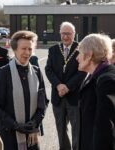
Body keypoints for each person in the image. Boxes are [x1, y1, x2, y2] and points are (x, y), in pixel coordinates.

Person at [0, 30, 48, 150]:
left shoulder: (37, 72)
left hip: (32, 135)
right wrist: (15, 125)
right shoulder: (2, 73)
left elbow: (43, 102)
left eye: (30, 49)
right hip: (9, 135)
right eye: (23, 48)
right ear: (15, 49)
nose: (27, 52)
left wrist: (35, 122)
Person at [45, 21, 86, 150]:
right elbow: (48, 69)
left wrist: (67, 87)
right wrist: (58, 85)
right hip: (58, 96)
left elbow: (82, 72)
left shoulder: (81, 49)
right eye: (63, 33)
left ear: (74, 34)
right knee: (61, 130)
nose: (65, 37)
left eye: (68, 34)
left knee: (77, 130)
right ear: (60, 34)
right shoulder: (53, 50)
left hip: (74, 96)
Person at [77, 33, 115, 150]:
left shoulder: (107, 80)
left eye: (79, 53)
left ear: (89, 55)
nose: (77, 58)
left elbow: (105, 128)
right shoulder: (96, 74)